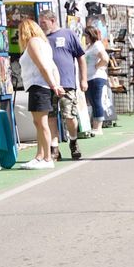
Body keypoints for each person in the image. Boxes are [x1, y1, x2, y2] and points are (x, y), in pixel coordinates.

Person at [38, 9, 86, 161]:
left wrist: (83, 79)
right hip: (48, 84)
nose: (42, 26)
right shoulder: (41, 38)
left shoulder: (68, 34)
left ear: (52, 21)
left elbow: (81, 57)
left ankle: (73, 141)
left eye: (44, 22)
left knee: (69, 116)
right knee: (51, 117)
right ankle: (55, 148)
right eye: (40, 23)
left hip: (66, 83)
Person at [18, 19, 64, 170]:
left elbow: (43, 66)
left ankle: (47, 158)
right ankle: (40, 156)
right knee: (38, 123)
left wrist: (54, 85)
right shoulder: (44, 44)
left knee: (42, 123)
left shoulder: (33, 42)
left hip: (39, 86)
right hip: (40, 86)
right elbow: (52, 66)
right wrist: (56, 84)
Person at [83, 26, 110, 136]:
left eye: (86, 35)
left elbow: (105, 59)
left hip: (96, 77)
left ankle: (98, 127)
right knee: (93, 102)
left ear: (90, 35)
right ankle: (94, 126)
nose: (84, 38)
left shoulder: (97, 45)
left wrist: (97, 66)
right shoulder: (89, 47)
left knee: (96, 101)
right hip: (89, 78)